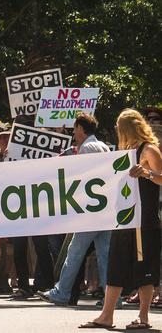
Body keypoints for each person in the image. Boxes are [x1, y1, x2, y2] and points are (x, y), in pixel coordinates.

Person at [82, 109, 162, 330]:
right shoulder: (123, 151)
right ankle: (106, 315)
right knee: (115, 267)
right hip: (123, 220)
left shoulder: (149, 149)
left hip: (144, 222)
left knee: (144, 270)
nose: (117, 131)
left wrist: (147, 173)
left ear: (127, 128)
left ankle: (143, 317)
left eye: (119, 127)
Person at [39, 113, 110, 306]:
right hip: (104, 210)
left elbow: (84, 179)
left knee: (75, 251)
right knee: (104, 254)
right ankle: (113, 297)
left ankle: (61, 293)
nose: (73, 132)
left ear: (80, 128)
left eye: (74, 128)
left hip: (90, 210)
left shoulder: (87, 148)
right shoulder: (102, 146)